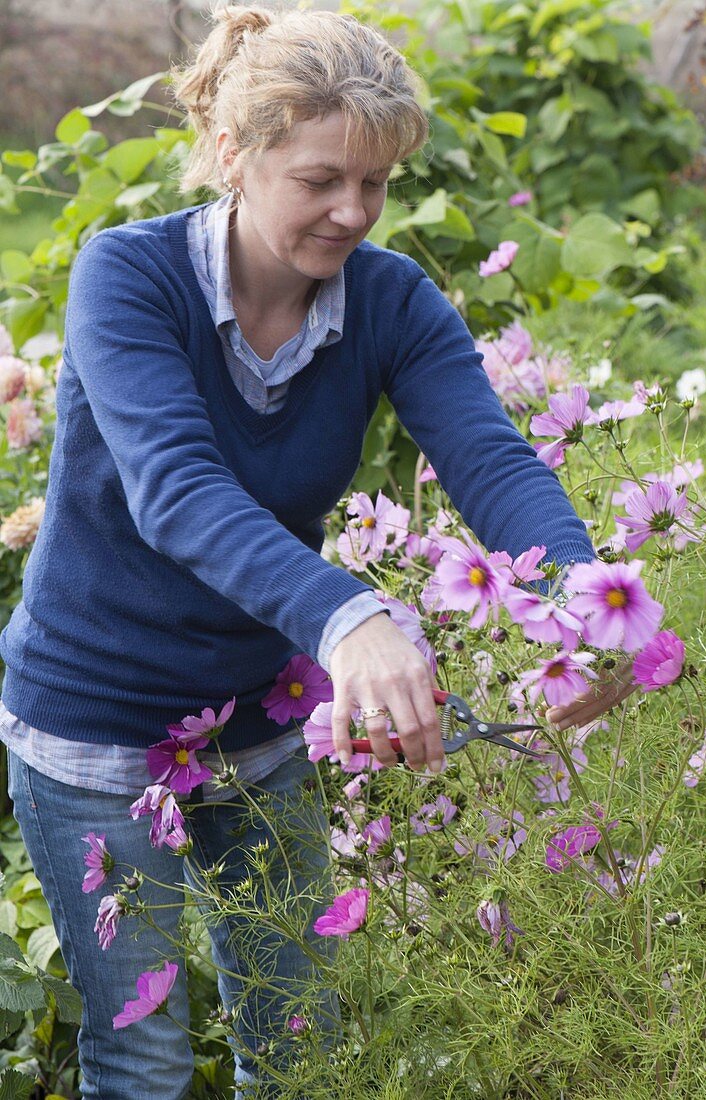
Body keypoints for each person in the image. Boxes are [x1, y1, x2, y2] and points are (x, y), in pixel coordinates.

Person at [0, 6, 636, 1098]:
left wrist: (584, 597)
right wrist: (355, 616)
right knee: (141, 1057)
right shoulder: (129, 279)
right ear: (238, 156)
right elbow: (177, 493)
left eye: (375, 184)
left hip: (259, 721)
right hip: (92, 723)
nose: (353, 211)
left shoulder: (389, 302)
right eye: (321, 179)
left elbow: (491, 460)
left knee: (296, 1046)